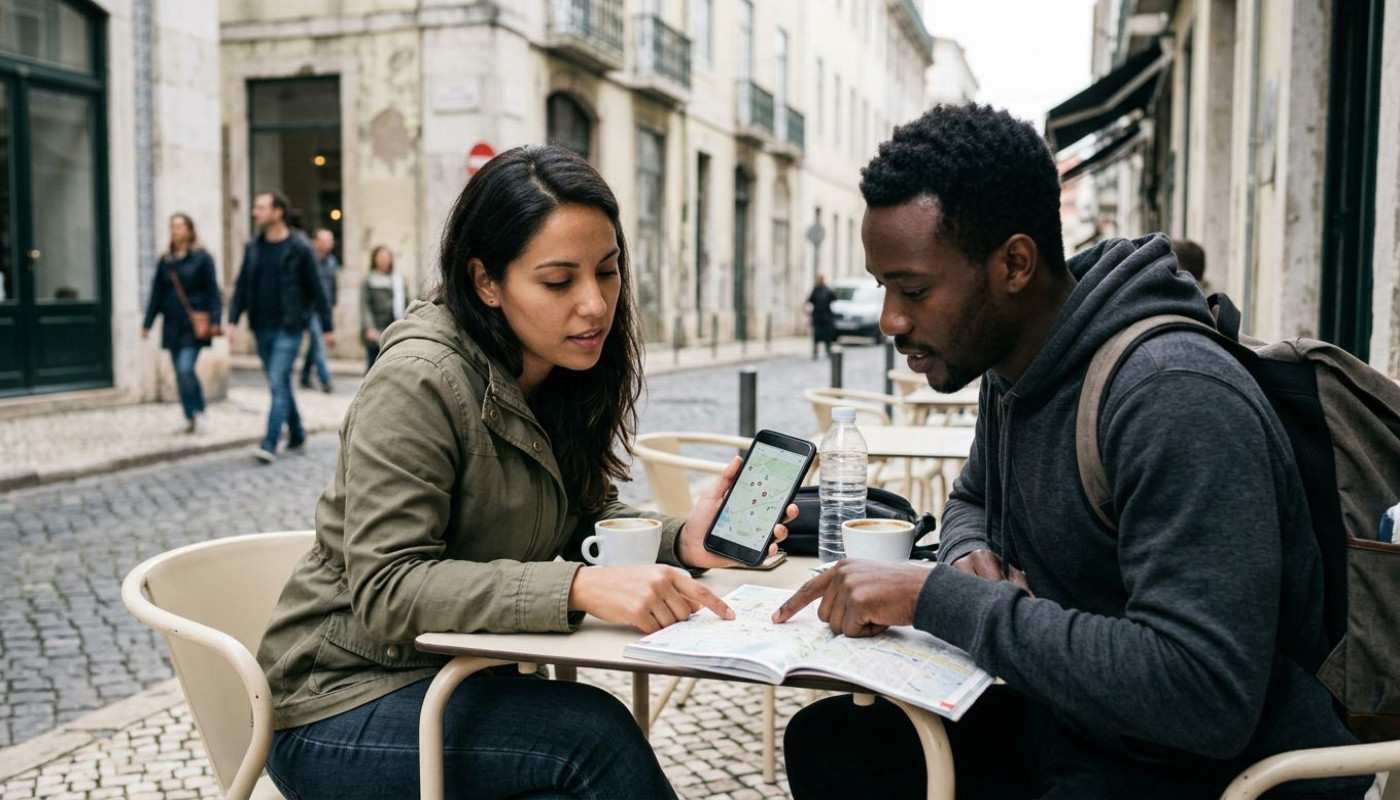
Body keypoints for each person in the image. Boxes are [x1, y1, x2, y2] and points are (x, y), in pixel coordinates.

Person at [775, 104, 1369, 800]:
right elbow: (971, 496)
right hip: (1084, 726)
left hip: (1210, 768)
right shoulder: (1014, 363)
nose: (891, 321)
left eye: (913, 290)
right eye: (884, 289)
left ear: (1015, 264)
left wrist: (940, 597)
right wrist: (967, 553)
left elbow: (1205, 693)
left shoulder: (1173, 394)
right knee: (836, 745)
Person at [255, 145, 796, 800]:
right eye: (559, 282)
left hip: (457, 677)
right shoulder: (419, 380)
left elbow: (581, 523)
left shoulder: (557, 374)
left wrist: (682, 540)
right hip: (338, 701)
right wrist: (578, 588)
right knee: (591, 737)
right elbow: (388, 588)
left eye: (608, 271)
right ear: (486, 281)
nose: (595, 305)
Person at [228, 191, 335, 464]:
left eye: (260, 208)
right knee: (281, 383)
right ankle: (297, 432)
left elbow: (317, 288)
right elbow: (241, 286)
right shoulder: (253, 247)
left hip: (289, 327)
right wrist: (232, 321)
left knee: (277, 380)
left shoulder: (299, 246)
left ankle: (270, 441)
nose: (255, 212)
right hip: (260, 325)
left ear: (278, 213)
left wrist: (326, 326)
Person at [141, 213, 221, 434]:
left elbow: (213, 292)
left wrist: (216, 320)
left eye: (179, 226)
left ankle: (200, 411)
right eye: (172, 227)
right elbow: (156, 293)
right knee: (179, 372)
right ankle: (189, 416)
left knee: (186, 369)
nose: (175, 231)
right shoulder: (166, 261)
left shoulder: (202, 258)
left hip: (194, 324)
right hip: (172, 324)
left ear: (189, 230)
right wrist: (147, 323)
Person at [299, 228, 339, 393]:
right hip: (309, 308)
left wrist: (332, 303)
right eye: (325, 240)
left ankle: (304, 375)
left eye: (330, 240)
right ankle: (325, 379)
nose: (329, 244)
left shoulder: (331, 262)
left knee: (314, 345)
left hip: (325, 309)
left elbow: (333, 286)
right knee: (318, 341)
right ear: (316, 242)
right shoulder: (307, 260)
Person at [359, 245, 406, 370]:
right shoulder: (369, 280)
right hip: (375, 328)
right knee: (373, 364)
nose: (384, 260)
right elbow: (365, 305)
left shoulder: (398, 280)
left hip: (394, 326)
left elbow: (406, 302)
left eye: (386, 257)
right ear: (374, 259)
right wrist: (369, 328)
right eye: (381, 257)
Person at [807, 273, 836, 358]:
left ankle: (828, 351)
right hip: (817, 317)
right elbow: (810, 300)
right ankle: (815, 352)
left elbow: (834, 298)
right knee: (816, 336)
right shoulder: (815, 290)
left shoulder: (827, 290)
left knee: (827, 336)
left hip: (826, 317)